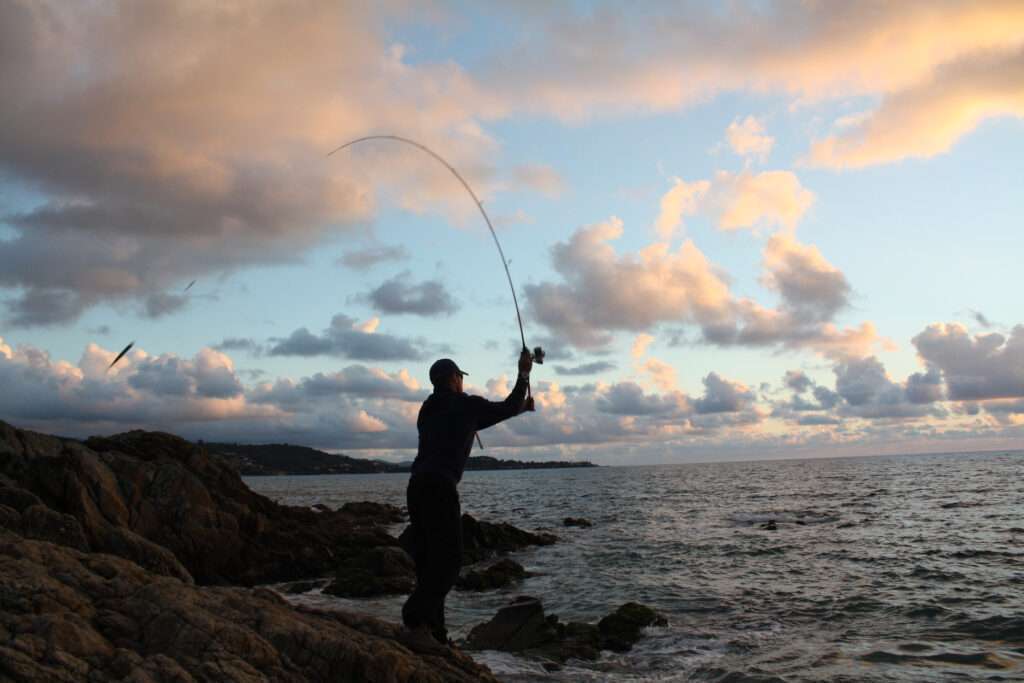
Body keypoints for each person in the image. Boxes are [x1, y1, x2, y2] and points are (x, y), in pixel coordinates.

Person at [400, 349, 534, 653]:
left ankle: (434, 634)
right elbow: (505, 406)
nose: (462, 381)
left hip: (417, 487)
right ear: (453, 378)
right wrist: (524, 373)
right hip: (440, 487)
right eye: (460, 376)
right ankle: (414, 620)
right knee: (449, 563)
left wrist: (520, 408)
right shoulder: (464, 405)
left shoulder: (427, 410)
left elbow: (484, 417)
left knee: (428, 562)